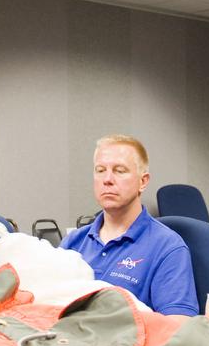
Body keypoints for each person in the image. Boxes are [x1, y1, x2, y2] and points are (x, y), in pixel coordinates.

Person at [61, 135, 198, 315]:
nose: (107, 179)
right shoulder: (73, 242)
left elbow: (177, 324)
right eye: (100, 170)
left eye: (119, 170)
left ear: (143, 181)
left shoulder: (168, 247)